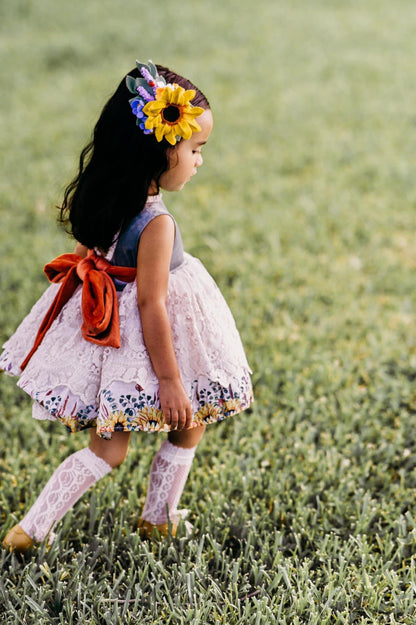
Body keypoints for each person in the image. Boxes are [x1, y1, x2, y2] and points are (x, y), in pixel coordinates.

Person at [1, 60, 253, 552]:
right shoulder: (157, 225)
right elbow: (152, 305)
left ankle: (30, 530)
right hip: (141, 345)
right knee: (188, 423)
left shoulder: (104, 199)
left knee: (108, 449)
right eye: (195, 149)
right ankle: (156, 519)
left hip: (105, 337)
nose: (200, 160)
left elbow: (83, 261)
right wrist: (170, 381)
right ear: (160, 149)